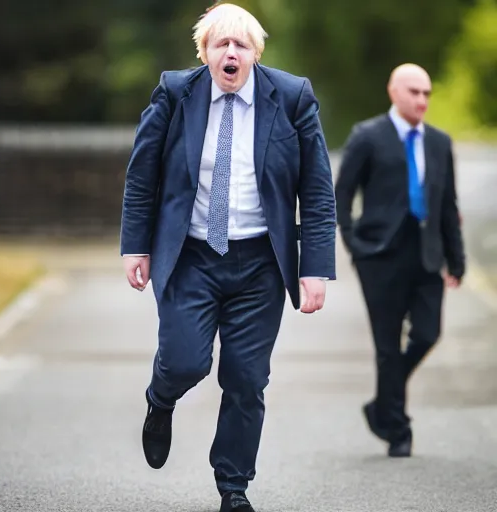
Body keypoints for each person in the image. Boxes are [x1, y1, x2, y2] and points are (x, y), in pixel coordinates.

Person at [120, 3, 336, 511]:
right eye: (222, 44)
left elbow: (318, 189)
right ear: (206, 53)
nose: (232, 53)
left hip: (261, 263)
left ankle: (233, 487)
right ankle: (160, 399)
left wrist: (315, 267)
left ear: (256, 53)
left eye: (241, 45)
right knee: (184, 361)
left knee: (246, 377)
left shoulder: (292, 97)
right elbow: (141, 173)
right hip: (191, 256)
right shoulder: (177, 93)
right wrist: (136, 245)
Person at [335, 63, 465, 458]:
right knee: (388, 346)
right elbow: (341, 196)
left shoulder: (439, 142)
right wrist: (355, 244)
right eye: (414, 92)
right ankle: (397, 428)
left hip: (427, 255)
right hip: (380, 257)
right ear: (394, 92)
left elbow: (447, 205)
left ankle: (382, 402)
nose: (421, 100)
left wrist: (456, 260)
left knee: (427, 334)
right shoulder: (367, 136)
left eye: (426, 93)